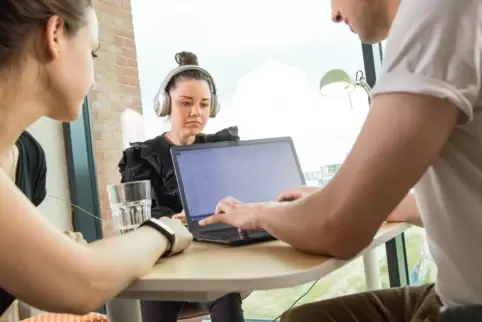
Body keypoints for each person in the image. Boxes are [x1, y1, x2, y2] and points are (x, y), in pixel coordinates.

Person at [199, 0, 482, 321]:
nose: (333, 13)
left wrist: (260, 214)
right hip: (450, 293)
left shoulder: (437, 11)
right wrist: (346, 198)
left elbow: (336, 229)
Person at [0, 0, 193, 317]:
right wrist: (164, 231)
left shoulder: (29, 161)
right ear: (56, 35)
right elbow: (81, 283)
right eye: (93, 52)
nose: (93, 79)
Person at [119, 51, 245, 322]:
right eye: (186, 103)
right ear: (166, 105)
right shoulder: (142, 157)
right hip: (164, 264)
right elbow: (142, 221)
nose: (196, 112)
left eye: (204, 104)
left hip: (213, 259)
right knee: (157, 299)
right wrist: (170, 223)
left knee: (226, 293)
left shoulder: (218, 149)